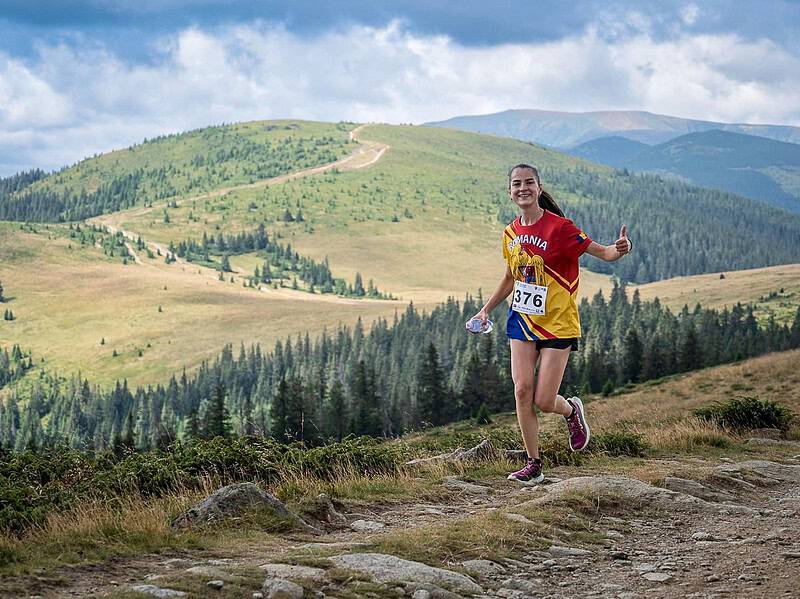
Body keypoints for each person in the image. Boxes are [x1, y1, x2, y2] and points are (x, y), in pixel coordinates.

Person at [467, 164, 632, 484]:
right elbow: (510, 277)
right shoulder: (510, 232)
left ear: (539, 188)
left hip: (558, 324)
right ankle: (533, 463)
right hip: (522, 321)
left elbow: (604, 253)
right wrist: (485, 310)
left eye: (529, 183)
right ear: (509, 191)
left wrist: (620, 250)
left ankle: (571, 411)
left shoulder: (561, 228)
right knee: (521, 390)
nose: (522, 188)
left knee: (544, 400)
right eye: (516, 184)